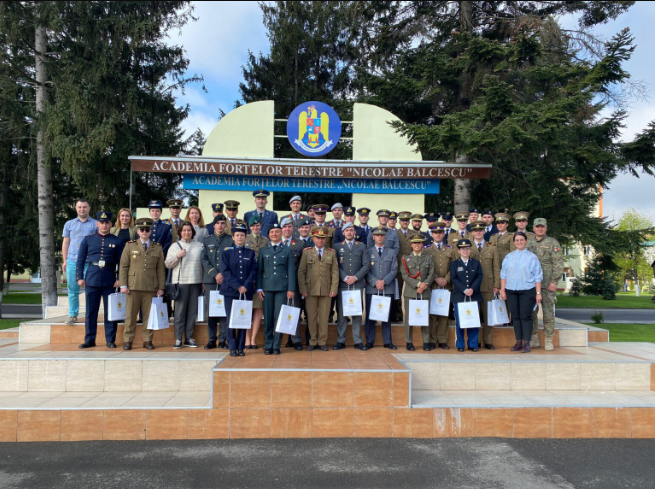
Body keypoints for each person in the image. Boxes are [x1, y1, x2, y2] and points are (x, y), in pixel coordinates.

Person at [76, 212, 125, 349]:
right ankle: (89, 339)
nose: (104, 225)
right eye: (101, 222)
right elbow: (80, 259)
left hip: (109, 280)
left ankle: (110, 339)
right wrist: (79, 277)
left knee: (110, 312)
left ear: (111, 224)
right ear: (97, 224)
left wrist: (120, 278)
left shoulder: (118, 241)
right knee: (91, 311)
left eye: (107, 222)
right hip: (91, 279)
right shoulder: (88, 239)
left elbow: (122, 262)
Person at [119, 218, 165, 350]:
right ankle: (128, 340)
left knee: (149, 316)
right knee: (130, 316)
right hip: (133, 286)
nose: (144, 232)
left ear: (150, 231)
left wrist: (161, 287)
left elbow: (160, 269)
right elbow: (123, 266)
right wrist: (123, 285)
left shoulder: (157, 247)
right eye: (142, 229)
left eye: (147, 229)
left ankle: (148, 340)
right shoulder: (130, 245)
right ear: (138, 231)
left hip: (151, 286)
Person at [500, 232, 543, 353]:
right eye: (517, 240)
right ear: (514, 242)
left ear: (526, 241)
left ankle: (527, 343)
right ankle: (518, 341)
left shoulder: (532, 257)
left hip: (527, 290)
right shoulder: (509, 257)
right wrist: (502, 290)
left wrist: (538, 293)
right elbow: (503, 275)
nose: (519, 242)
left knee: (526, 316)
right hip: (511, 291)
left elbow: (537, 276)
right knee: (515, 317)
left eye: (521, 240)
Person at [257, 223, 296, 355]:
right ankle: (268, 343)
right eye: (272, 232)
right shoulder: (263, 250)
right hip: (267, 288)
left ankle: (276, 344)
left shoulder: (287, 250)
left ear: (281, 234)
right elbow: (259, 271)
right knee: (267, 317)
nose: (274, 234)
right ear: (268, 234)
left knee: (279, 317)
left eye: (277, 232)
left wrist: (291, 289)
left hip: (282, 288)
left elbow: (291, 271)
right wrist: (258, 288)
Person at [298, 228, 338, 351]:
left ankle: (322, 341)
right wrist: (303, 289)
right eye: (317, 238)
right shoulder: (306, 253)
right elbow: (301, 272)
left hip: (326, 289)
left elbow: (335, 273)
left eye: (322, 238)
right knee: (311, 317)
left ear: (326, 239)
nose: (320, 240)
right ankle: (312, 341)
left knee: (324, 316)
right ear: (313, 239)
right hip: (310, 289)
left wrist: (333, 288)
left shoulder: (331, 253)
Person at [165, 222, 204, 349]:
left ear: (193, 232)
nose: (187, 233)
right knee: (180, 312)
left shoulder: (199, 246)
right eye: (184, 230)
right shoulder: (174, 246)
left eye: (189, 230)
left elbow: (203, 265)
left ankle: (188, 337)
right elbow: (167, 264)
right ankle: (177, 338)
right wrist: (177, 256)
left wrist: (203, 282)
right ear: (180, 232)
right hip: (181, 282)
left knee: (192, 312)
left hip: (196, 281)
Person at [221, 222, 257, 356]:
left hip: (246, 292)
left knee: (243, 319)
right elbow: (225, 272)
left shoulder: (250, 252)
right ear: (233, 237)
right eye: (237, 235)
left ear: (245, 237)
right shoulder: (227, 252)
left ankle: (241, 347)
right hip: (231, 291)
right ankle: (232, 347)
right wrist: (238, 286)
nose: (240, 238)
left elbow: (253, 271)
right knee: (231, 319)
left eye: (242, 235)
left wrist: (246, 286)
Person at [528, 218, 564, 350]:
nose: (540, 229)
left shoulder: (552, 243)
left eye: (542, 227)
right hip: (531, 284)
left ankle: (549, 339)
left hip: (548, 284)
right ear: (533, 228)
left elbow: (558, 264)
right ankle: (534, 337)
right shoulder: (529, 242)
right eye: (537, 227)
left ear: (546, 228)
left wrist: (554, 281)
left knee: (548, 313)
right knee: (532, 313)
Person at [333, 223, 371, 350]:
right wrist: (344, 277)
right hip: (343, 284)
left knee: (356, 314)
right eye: (347, 230)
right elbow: (334, 265)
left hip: (357, 284)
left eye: (351, 230)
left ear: (355, 232)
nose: (349, 232)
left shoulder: (361, 246)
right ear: (343, 233)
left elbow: (366, 265)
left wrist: (355, 277)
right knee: (342, 314)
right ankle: (340, 340)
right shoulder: (337, 247)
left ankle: (358, 341)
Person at [62, 199, 97, 324]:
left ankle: (90, 315)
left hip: (90, 262)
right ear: (76, 208)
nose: (82, 209)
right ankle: (73, 315)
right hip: (73, 261)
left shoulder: (95, 224)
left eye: (84, 207)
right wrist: (65, 260)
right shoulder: (69, 224)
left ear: (89, 208)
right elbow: (66, 243)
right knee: (72, 290)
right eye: (79, 207)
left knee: (91, 290)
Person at [201, 215, 234, 350]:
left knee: (224, 311)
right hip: (211, 281)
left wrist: (224, 276)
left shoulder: (230, 240)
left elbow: (232, 260)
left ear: (226, 225)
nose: (220, 225)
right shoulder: (207, 239)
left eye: (222, 223)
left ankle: (223, 339)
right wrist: (215, 274)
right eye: (218, 223)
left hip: (226, 281)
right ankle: (211, 339)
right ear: (213, 225)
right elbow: (204, 259)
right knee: (212, 312)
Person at [424, 222, 457, 349]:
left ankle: (442, 340)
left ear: (444, 234)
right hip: (432, 285)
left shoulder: (450, 250)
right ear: (431, 234)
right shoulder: (426, 250)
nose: (438, 235)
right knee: (432, 315)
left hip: (446, 286)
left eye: (440, 232)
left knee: (444, 314)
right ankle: (432, 340)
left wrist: (446, 279)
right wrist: (436, 278)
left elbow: (453, 267)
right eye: (435, 233)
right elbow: (426, 268)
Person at [469, 221, 501, 350]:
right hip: (473, 287)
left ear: (484, 231)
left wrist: (497, 285)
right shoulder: (468, 247)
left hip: (488, 286)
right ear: (472, 232)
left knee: (488, 316)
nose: (478, 232)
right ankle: (474, 341)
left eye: (480, 230)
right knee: (473, 316)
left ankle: (488, 341)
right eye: (475, 230)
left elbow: (496, 268)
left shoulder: (492, 247)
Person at [400, 234, 435, 351]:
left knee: (424, 317)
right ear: (411, 245)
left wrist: (424, 285)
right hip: (411, 292)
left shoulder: (428, 258)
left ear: (422, 244)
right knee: (409, 318)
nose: (417, 245)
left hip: (424, 292)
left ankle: (426, 341)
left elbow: (431, 273)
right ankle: (408, 341)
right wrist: (418, 284)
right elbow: (404, 275)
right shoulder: (405, 258)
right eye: (415, 243)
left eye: (419, 243)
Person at [364, 228, 398, 349]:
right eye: (377, 235)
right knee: (370, 316)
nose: (379, 237)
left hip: (387, 288)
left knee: (386, 316)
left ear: (385, 238)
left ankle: (388, 341)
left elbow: (394, 270)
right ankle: (369, 341)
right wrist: (374, 282)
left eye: (381, 235)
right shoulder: (367, 251)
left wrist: (384, 281)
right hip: (372, 288)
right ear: (373, 237)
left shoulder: (391, 252)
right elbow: (365, 269)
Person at [450, 239, 483, 352]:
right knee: (460, 321)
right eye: (463, 249)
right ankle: (460, 344)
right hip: (460, 296)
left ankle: (473, 344)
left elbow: (479, 276)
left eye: (467, 248)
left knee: (473, 320)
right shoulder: (454, 264)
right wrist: (464, 289)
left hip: (474, 296)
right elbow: (454, 278)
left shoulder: (476, 263)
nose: (465, 251)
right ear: (459, 250)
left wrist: (472, 289)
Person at [245, 215, 269, 348]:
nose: (255, 227)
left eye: (257, 225)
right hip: (248, 278)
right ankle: (247, 339)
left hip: (261, 278)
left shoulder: (266, 240)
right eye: (253, 226)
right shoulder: (245, 239)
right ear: (249, 227)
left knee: (258, 309)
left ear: (260, 226)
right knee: (247, 309)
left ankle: (253, 339)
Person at [290, 218, 314, 347]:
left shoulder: (315, 241)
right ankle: (295, 339)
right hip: (295, 283)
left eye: (307, 227)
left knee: (310, 312)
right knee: (295, 312)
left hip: (310, 283)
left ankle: (311, 339)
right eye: (302, 228)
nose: (304, 229)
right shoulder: (293, 243)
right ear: (298, 229)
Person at [394, 211, 414, 322]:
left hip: (412, 268)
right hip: (399, 267)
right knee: (398, 291)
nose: (405, 222)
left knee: (411, 291)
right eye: (403, 220)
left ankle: (411, 312)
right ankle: (398, 313)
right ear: (399, 222)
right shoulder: (395, 233)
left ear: (409, 222)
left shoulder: (413, 233)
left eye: (406, 220)